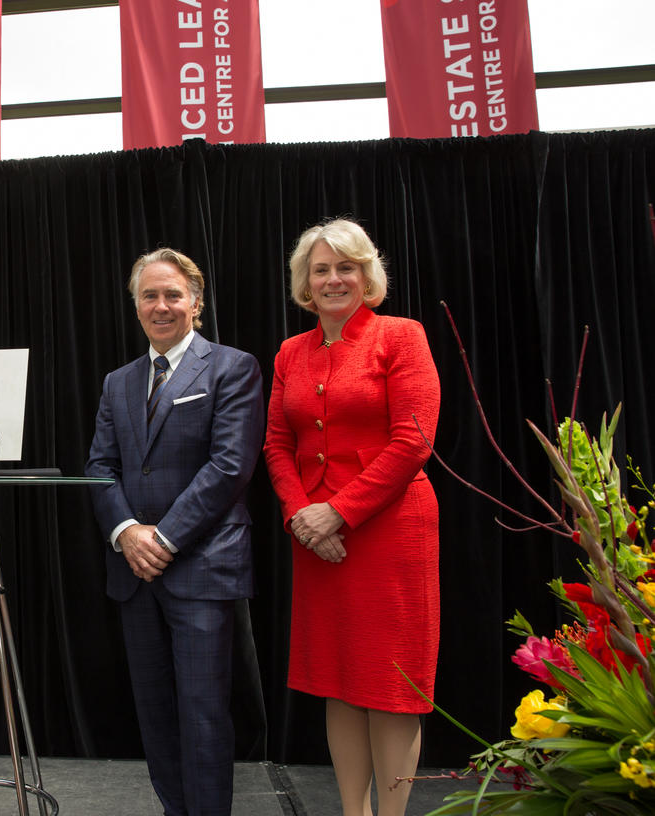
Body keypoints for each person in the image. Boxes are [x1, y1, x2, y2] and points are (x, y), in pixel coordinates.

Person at [264, 218, 440, 816]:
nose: (334, 279)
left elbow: (414, 440)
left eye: (347, 267)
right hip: (315, 537)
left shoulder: (402, 336)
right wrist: (301, 518)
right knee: (339, 681)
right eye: (321, 269)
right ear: (305, 285)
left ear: (368, 276)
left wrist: (337, 513)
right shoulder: (292, 351)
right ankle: (352, 812)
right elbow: (276, 446)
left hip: (389, 531)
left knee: (390, 685)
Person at [85, 248, 265, 816]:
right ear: (135, 304)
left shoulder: (233, 367)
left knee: (204, 711)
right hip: (133, 570)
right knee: (156, 711)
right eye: (149, 296)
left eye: (173, 295)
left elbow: (230, 467)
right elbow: (100, 468)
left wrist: (162, 539)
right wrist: (126, 533)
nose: (161, 306)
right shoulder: (119, 382)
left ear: (197, 302)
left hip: (203, 566)